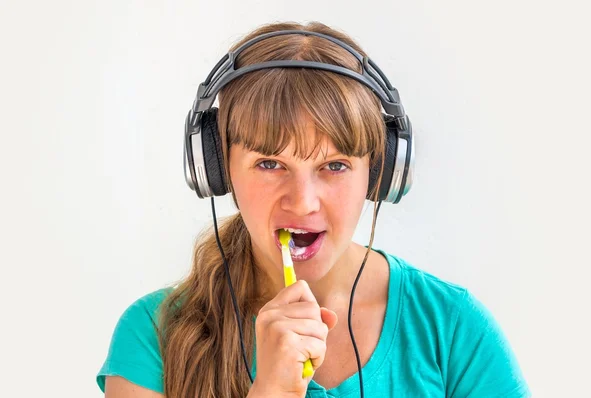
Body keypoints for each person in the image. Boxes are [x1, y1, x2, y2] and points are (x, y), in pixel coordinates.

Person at [97, 21, 531, 398]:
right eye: (270, 164)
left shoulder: (452, 330)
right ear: (218, 168)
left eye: (335, 165)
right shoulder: (153, 335)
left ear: (378, 175)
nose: (302, 201)